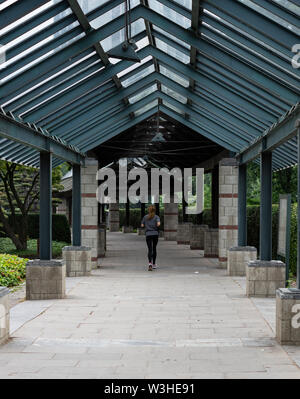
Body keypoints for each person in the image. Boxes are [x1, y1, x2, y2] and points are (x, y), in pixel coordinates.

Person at [141, 205, 160, 271]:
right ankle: (154, 264)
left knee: (150, 249)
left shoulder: (145, 217)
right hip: (155, 234)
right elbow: (158, 224)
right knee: (154, 248)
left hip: (148, 234)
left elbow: (142, 225)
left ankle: (150, 263)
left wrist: (146, 225)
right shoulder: (157, 217)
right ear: (154, 210)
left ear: (148, 210)